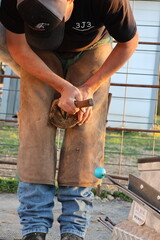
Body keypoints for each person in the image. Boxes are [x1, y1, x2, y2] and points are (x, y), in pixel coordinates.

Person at [0, 0, 139, 240]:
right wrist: (62, 87)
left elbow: (128, 43)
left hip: (91, 47)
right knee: (35, 129)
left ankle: (73, 230)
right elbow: (16, 45)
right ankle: (34, 228)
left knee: (85, 132)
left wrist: (87, 88)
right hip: (35, 50)